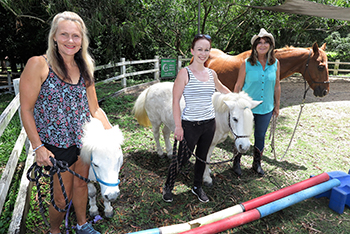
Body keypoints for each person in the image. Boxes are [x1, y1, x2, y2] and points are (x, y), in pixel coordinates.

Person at [19, 11, 111, 234]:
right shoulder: (39, 65)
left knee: (82, 184)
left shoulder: (84, 67)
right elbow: (27, 109)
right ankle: (55, 231)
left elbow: (94, 108)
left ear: (82, 41)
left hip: (83, 140)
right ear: (54, 37)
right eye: (64, 35)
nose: (70, 41)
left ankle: (82, 224)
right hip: (57, 144)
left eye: (76, 36)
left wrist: (111, 136)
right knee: (62, 196)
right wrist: (38, 147)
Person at [162, 34, 231, 203]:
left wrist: (240, 99)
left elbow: (222, 89)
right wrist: (178, 126)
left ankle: (197, 186)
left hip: (209, 124)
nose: (203, 53)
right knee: (182, 159)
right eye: (199, 49)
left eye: (206, 50)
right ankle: (168, 186)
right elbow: (176, 101)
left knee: (202, 157)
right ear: (192, 51)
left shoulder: (212, 73)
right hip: (190, 125)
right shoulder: (184, 73)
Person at [233, 28, 281, 177]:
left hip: (266, 108)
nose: (262, 45)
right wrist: (235, 104)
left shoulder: (275, 63)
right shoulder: (246, 63)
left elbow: (277, 85)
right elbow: (238, 85)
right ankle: (236, 161)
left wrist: (277, 105)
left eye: (266, 42)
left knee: (260, 136)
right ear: (254, 46)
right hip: (246, 108)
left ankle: (256, 163)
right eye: (259, 42)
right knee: (242, 134)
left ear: (270, 45)